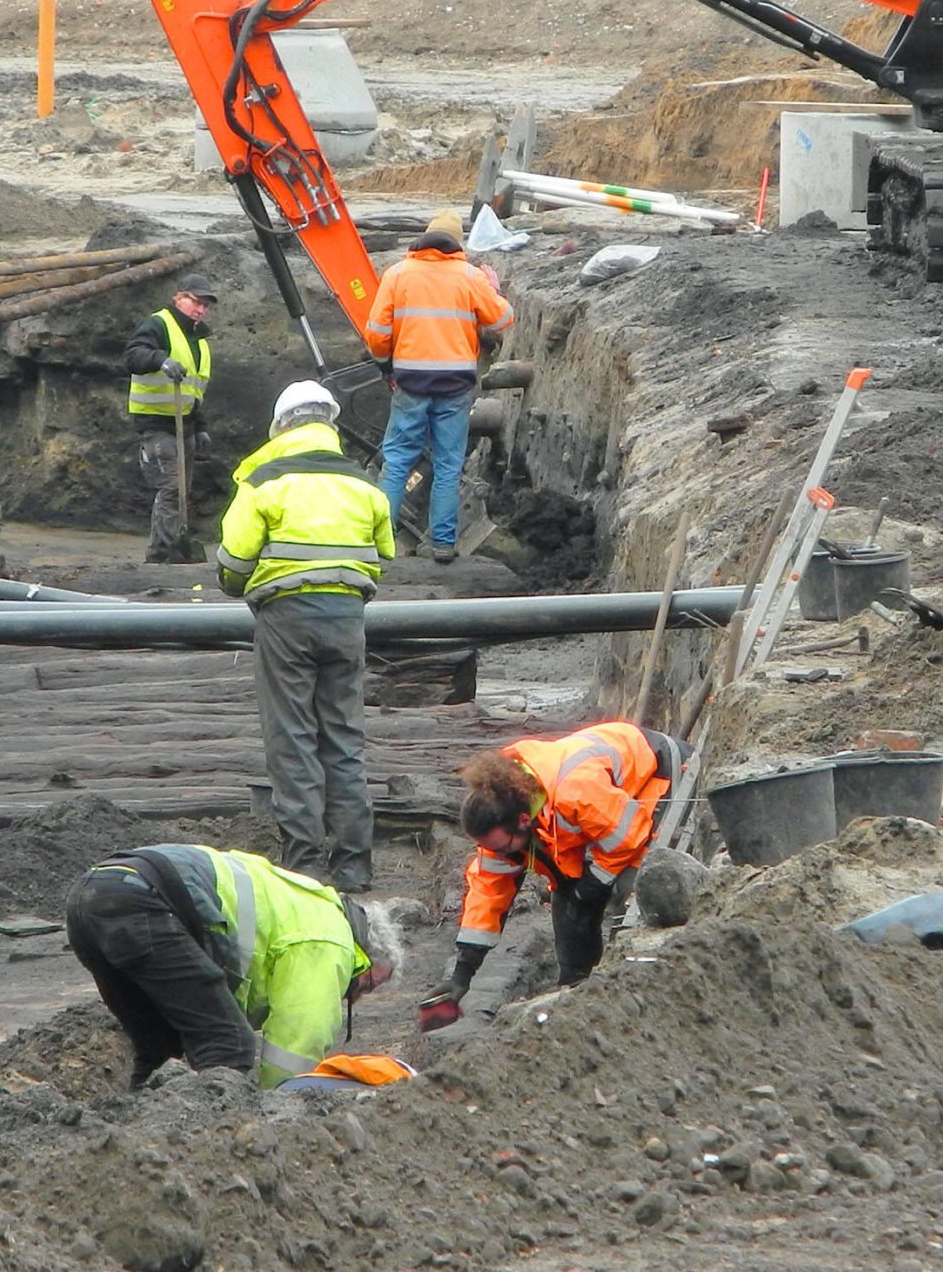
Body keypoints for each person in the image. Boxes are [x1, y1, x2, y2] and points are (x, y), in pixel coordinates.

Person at [216, 380, 394, 892]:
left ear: (281, 427)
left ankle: (303, 863)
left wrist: (245, 583)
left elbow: (232, 564)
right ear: (330, 425)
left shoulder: (262, 482)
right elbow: (384, 553)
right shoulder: (364, 485)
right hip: (346, 619)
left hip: (285, 619)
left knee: (292, 736)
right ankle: (355, 865)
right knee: (343, 736)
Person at [416, 720, 686, 1028]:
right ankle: (576, 991)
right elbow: (488, 895)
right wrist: (461, 974)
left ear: (522, 821)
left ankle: (638, 988)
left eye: (502, 847)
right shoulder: (507, 809)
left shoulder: (576, 790)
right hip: (607, 810)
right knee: (569, 898)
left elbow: (627, 838)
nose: (501, 856)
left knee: (633, 885)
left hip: (659, 774)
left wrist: (595, 882)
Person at [64, 843, 401, 1088]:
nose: (356, 996)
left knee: (159, 1050)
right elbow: (299, 1040)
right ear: (364, 951)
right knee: (229, 1044)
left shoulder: (300, 900)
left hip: (90, 898)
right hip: (145, 901)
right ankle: (215, 1153)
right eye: (368, 983)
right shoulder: (330, 938)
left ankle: (136, 1144)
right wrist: (281, 1114)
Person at [365, 209, 512, 566]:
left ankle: (379, 545)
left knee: (398, 460)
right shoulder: (470, 276)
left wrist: (389, 366)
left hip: (411, 382)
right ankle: (443, 544)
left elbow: (376, 336)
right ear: (456, 243)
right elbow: (503, 319)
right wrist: (493, 290)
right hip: (455, 385)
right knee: (448, 464)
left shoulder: (397, 275)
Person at [123, 276, 219, 564]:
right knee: (170, 486)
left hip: (184, 423)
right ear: (178, 298)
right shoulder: (159, 324)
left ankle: (161, 549)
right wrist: (160, 361)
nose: (200, 309)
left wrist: (200, 426)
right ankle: (166, 553)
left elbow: (194, 390)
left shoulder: (198, 340)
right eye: (195, 301)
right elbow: (133, 355)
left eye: (205, 305)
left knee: (181, 490)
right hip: (155, 424)